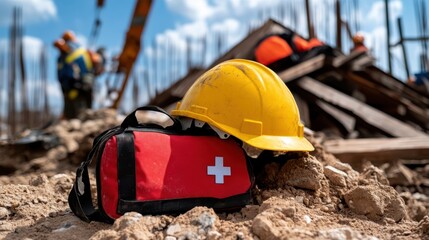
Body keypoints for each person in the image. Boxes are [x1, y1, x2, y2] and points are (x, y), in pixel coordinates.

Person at [53, 31, 104, 119]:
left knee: (80, 113)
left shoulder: (76, 53)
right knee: (76, 113)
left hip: (80, 86)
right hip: (73, 87)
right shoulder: (66, 56)